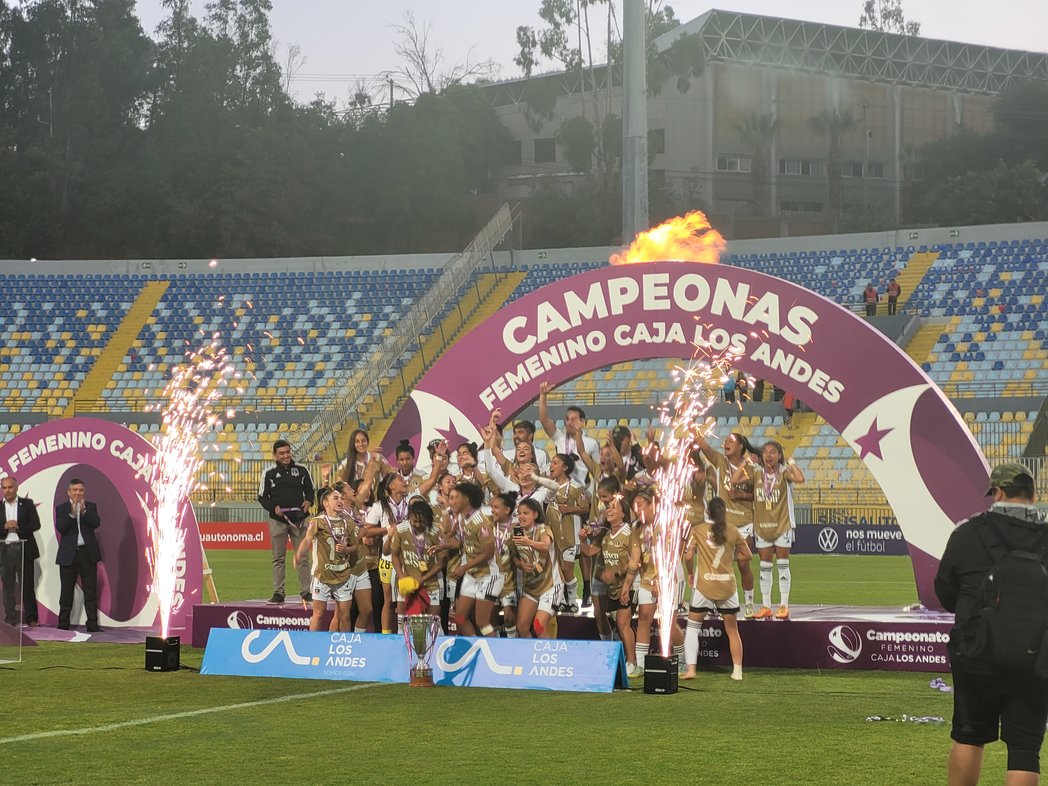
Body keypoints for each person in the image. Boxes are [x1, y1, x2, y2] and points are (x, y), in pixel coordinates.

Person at [935, 462, 1047, 786]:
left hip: (978, 652)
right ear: (1032, 494)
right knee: (1026, 749)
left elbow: (944, 592)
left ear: (997, 493)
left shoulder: (968, 532)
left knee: (969, 736)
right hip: (1035, 655)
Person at [732, 441, 804, 620]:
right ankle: (765, 606)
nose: (768, 455)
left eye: (773, 452)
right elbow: (734, 481)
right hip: (762, 526)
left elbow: (801, 479)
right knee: (764, 568)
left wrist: (792, 463)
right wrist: (745, 463)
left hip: (782, 525)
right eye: (766, 452)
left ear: (779, 455)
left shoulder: (784, 473)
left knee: (782, 565)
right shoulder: (756, 473)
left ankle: (783, 605)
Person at [682, 498, 748, 681]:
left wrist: (690, 573)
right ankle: (737, 671)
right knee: (732, 630)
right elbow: (747, 555)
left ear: (708, 512)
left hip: (704, 584)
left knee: (693, 628)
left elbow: (688, 556)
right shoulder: (733, 530)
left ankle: (691, 670)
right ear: (724, 511)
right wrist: (729, 558)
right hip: (727, 584)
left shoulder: (698, 529)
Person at [695, 432, 760, 618]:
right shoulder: (720, 461)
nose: (725, 443)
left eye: (730, 441)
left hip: (744, 522)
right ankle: (715, 602)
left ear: (740, 446)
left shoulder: (752, 468)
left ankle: (748, 603)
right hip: (722, 524)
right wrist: (692, 427)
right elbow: (704, 446)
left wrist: (741, 495)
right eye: (725, 441)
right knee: (718, 566)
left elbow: (760, 494)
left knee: (743, 563)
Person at [258, 439, 315, 605]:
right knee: (278, 558)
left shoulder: (302, 470)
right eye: (281, 453)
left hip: (300, 520)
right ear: (275, 455)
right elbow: (262, 496)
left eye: (288, 452)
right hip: (278, 521)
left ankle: (306, 592)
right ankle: (278, 592)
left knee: (303, 557)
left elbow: (310, 490)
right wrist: (273, 507)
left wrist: (309, 502)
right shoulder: (268, 473)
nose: (285, 456)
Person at [296, 487, 358, 632]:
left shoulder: (348, 522)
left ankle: (344, 646)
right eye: (335, 498)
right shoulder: (317, 521)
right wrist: (299, 553)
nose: (340, 501)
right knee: (318, 613)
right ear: (326, 503)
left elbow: (355, 545)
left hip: (343, 575)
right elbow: (308, 539)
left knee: (345, 616)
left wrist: (347, 549)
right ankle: (312, 646)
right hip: (322, 576)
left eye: (341, 498)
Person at [445, 482, 499, 637]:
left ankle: (492, 652)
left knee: (483, 623)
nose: (453, 501)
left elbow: (488, 553)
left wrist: (464, 567)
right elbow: (467, 543)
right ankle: (475, 646)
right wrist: (446, 545)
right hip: (472, 574)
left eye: (457, 497)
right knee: (460, 617)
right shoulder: (464, 519)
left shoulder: (480, 522)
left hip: (487, 575)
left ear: (466, 500)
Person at [543, 453, 590, 614]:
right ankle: (561, 600)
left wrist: (570, 509)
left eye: (555, 463)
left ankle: (572, 599)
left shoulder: (575, 488)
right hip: (553, 536)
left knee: (567, 568)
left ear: (565, 467)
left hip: (570, 535)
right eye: (551, 463)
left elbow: (586, 507)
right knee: (557, 569)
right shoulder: (548, 487)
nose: (551, 466)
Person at [54, 478, 102, 632]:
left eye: (81, 490)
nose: (78, 493)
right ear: (69, 492)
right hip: (69, 554)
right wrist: (73, 515)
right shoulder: (62, 508)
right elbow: (61, 527)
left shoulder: (91, 506)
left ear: (84, 492)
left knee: (90, 591)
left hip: (87, 554)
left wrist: (84, 512)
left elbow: (96, 523)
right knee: (66, 591)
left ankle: (92, 624)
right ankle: (63, 624)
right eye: (75, 490)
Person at [364, 472, 409, 634]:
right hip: (388, 558)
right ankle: (386, 635)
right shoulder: (379, 506)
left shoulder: (410, 502)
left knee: (404, 600)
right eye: (399, 479)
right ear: (391, 486)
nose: (403, 480)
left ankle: (403, 634)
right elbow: (367, 531)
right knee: (388, 601)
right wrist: (387, 530)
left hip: (408, 558)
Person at [389, 498, 444, 622]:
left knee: (433, 623)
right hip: (407, 584)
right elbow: (394, 555)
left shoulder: (435, 531)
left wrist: (422, 579)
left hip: (431, 584)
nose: (418, 525)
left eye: (422, 522)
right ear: (409, 517)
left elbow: (442, 561)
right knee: (403, 624)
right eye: (414, 521)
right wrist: (401, 576)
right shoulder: (401, 529)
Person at [510, 498, 557, 638]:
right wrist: (519, 564)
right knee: (522, 627)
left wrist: (528, 541)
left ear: (535, 515)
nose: (521, 516)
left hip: (550, 585)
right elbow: (513, 555)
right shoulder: (517, 530)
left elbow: (545, 545)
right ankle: (530, 658)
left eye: (526, 513)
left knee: (538, 626)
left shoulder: (543, 528)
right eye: (519, 513)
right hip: (531, 585)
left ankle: (552, 657)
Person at [537, 381, 600, 485]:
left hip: (582, 489)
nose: (569, 422)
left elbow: (597, 470)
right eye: (567, 419)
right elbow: (544, 420)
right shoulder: (559, 438)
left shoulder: (592, 443)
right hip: (560, 487)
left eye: (574, 419)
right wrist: (543, 395)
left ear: (583, 421)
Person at [1, 476, 41, 627]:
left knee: (27, 586)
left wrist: (19, 527)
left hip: (24, 549)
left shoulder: (27, 504)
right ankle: (10, 619)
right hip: (5, 551)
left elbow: (36, 524)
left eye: (10, 487)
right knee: (8, 586)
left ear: (16, 488)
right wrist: (4, 527)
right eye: (4, 488)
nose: (7, 490)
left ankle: (31, 618)